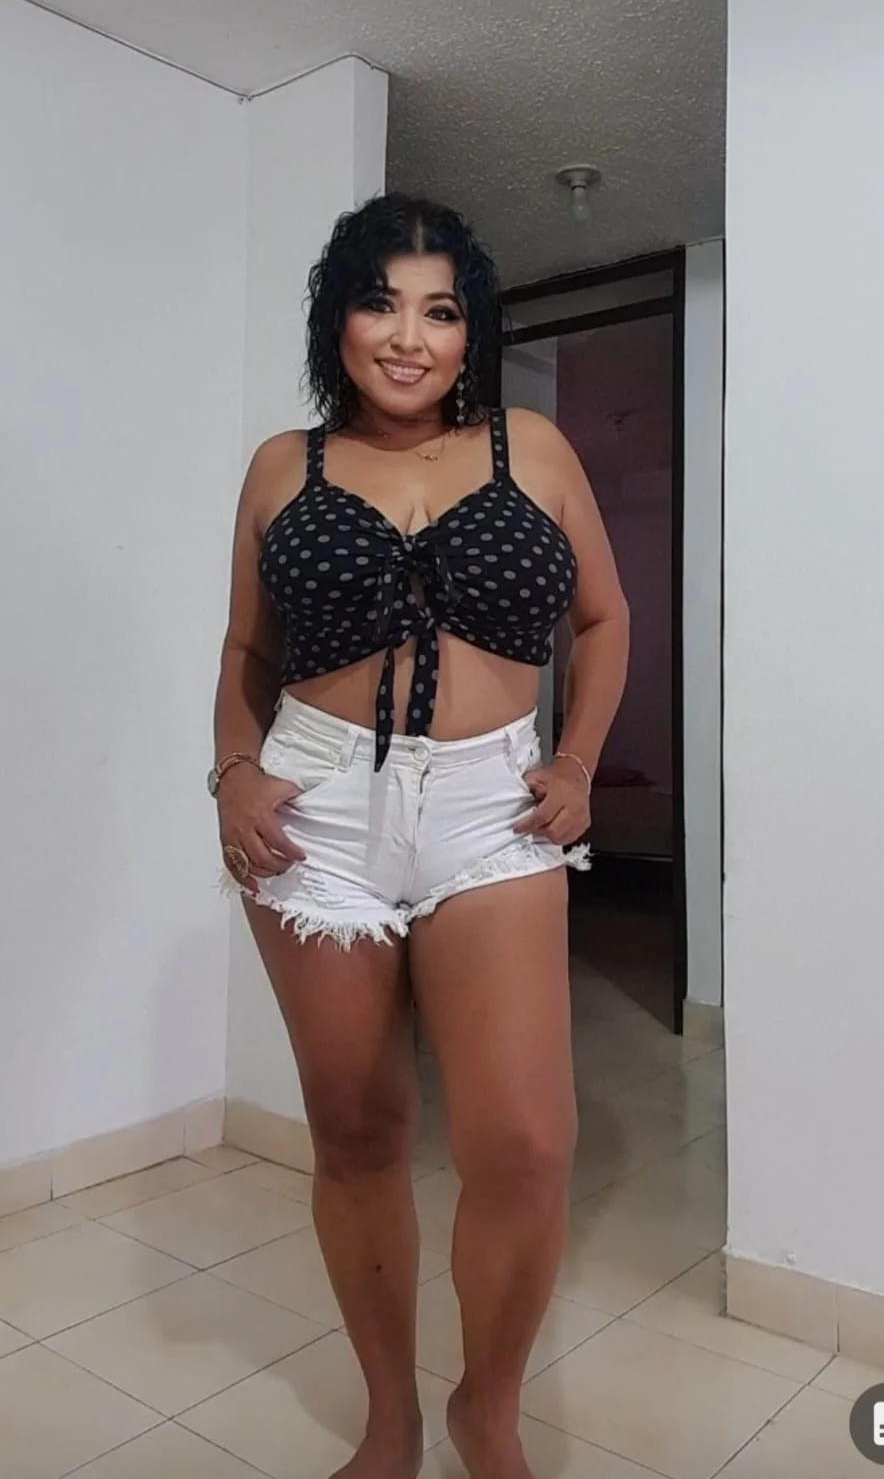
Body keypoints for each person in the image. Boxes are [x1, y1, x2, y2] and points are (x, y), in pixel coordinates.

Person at [211, 193, 629, 1479]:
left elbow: (602, 621)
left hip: (490, 807)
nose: (407, 336)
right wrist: (234, 769)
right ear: (336, 320)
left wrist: (575, 758)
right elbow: (246, 651)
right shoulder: (283, 465)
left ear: (469, 332)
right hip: (317, 809)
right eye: (379, 303)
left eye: (439, 311)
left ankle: (483, 1412)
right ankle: (388, 1419)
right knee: (355, 1131)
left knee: (525, 1143)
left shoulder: (531, 449)